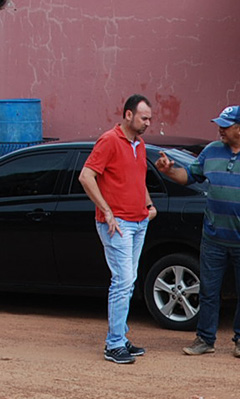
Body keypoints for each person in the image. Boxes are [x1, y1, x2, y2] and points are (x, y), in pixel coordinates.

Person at [154, 105, 240, 359]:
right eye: (220, 124)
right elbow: (188, 176)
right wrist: (168, 169)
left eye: (225, 125)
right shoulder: (211, 152)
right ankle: (205, 339)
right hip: (213, 239)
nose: (220, 130)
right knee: (209, 291)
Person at [79, 94, 158, 364]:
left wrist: (149, 204)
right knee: (122, 282)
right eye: (143, 117)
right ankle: (113, 344)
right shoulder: (110, 140)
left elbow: (138, 178)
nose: (148, 123)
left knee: (128, 280)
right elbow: (86, 176)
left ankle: (120, 338)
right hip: (119, 224)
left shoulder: (140, 144)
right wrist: (107, 210)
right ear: (128, 115)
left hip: (138, 221)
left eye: (149, 118)